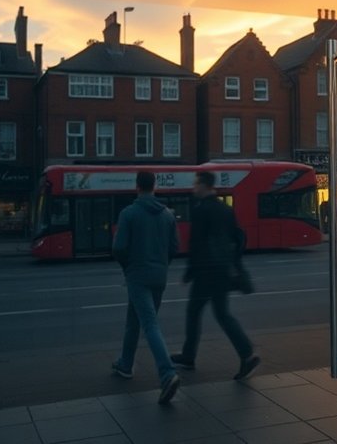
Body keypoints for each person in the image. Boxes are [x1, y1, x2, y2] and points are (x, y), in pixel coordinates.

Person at [171, 171, 261, 380]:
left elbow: (197, 243)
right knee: (222, 314)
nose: (194, 188)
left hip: (206, 271)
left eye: (196, 184)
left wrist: (189, 273)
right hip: (222, 270)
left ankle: (190, 356)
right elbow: (237, 238)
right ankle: (246, 354)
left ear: (204, 185)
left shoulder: (201, 210)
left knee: (194, 312)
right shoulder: (225, 209)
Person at [111, 171, 181, 405]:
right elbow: (174, 248)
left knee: (149, 324)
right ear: (155, 186)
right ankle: (125, 364)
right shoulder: (168, 216)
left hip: (137, 276)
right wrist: (161, 265)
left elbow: (119, 248)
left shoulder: (128, 214)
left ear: (137, 186)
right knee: (135, 320)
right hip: (159, 277)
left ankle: (167, 374)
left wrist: (128, 268)